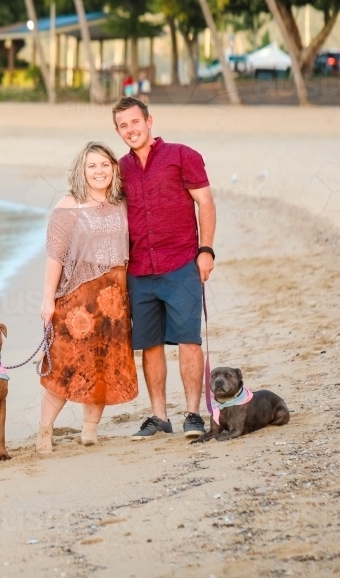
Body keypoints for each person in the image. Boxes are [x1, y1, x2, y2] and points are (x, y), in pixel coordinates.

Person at [112, 96, 216, 439]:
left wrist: (206, 250)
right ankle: (159, 417)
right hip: (139, 269)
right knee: (150, 343)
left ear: (149, 121)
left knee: (188, 340)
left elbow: (205, 202)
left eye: (135, 122)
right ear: (118, 131)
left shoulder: (182, 155)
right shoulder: (119, 169)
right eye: (123, 125)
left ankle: (192, 414)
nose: (131, 130)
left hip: (181, 263)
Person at [37, 142, 137, 454]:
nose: (99, 171)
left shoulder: (123, 204)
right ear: (82, 170)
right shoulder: (69, 205)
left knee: (102, 365)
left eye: (105, 165)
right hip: (77, 298)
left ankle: (90, 429)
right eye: (92, 166)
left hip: (115, 298)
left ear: (114, 168)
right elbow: (55, 257)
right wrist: (47, 300)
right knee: (65, 366)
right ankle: (44, 431)